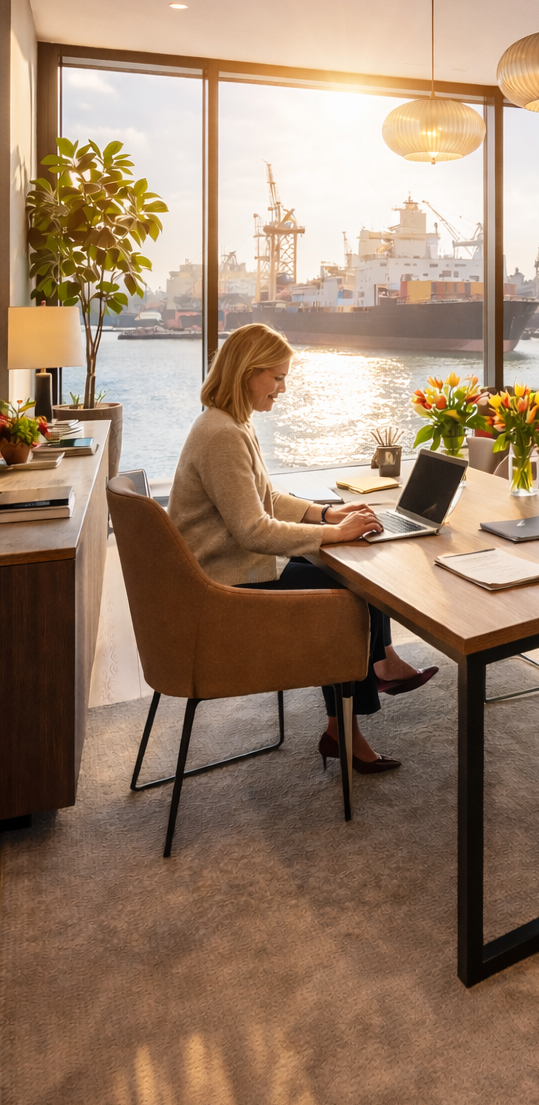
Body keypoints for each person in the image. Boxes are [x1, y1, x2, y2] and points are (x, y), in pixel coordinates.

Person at [168, 323, 436, 774]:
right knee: (349, 596)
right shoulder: (221, 435)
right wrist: (337, 533)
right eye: (277, 377)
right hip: (222, 588)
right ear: (246, 372)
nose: (284, 389)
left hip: (230, 569)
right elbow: (254, 530)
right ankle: (352, 716)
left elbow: (266, 498)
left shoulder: (230, 422)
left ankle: (374, 676)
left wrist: (327, 514)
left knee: (349, 573)